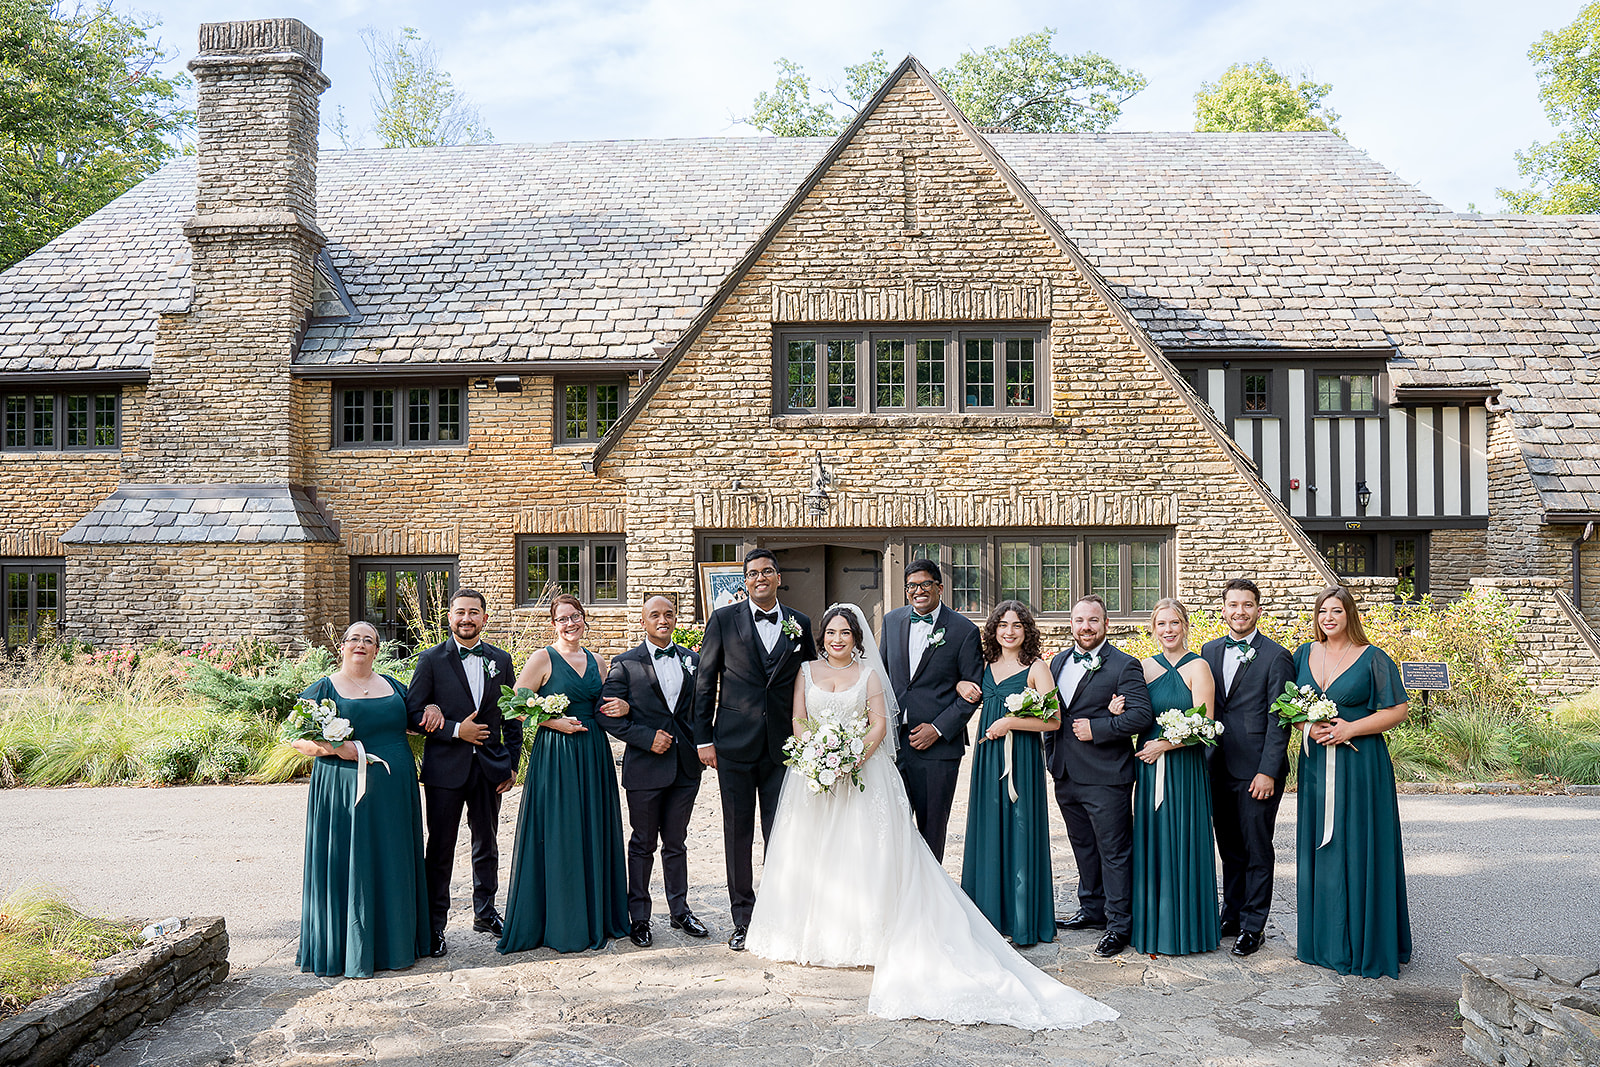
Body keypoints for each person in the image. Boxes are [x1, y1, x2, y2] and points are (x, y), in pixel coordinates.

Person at [747, 603, 1118, 1030]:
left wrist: (849, 760)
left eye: (845, 633)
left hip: (864, 767)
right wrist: (817, 757)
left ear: (856, 638)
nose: (837, 639)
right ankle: (811, 930)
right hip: (813, 774)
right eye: (831, 632)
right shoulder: (806, 671)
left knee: (869, 851)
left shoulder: (872, 673)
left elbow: (878, 725)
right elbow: (799, 719)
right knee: (812, 852)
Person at [692, 548, 816, 951]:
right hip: (732, 745)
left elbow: (812, 680)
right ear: (744, 582)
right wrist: (703, 737)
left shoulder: (801, 623)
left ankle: (779, 915)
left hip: (784, 748)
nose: (759, 578)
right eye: (751, 574)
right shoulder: (724, 620)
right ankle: (743, 918)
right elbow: (705, 681)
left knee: (781, 834)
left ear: (779, 577)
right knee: (737, 834)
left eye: (766, 572)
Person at [292, 620, 428, 978]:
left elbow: (416, 719)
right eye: (354, 638)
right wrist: (338, 748)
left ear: (377, 650)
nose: (361, 645)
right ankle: (346, 947)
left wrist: (436, 711)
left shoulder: (393, 686)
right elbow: (297, 738)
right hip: (343, 791)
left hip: (395, 792)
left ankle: (396, 944)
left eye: (369, 640)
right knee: (350, 860)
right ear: (342, 646)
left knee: (391, 860)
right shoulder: (323, 688)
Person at [1292, 585, 1413, 979]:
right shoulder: (1302, 655)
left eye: (1337, 612)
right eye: (1323, 611)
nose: (1329, 618)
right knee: (1322, 849)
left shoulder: (1374, 658)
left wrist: (1352, 729)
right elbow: (1288, 706)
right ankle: (1323, 943)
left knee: (1360, 847)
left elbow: (1399, 710)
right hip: (1315, 767)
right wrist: (1307, 726)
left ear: (1350, 616)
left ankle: (1365, 944)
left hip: (1361, 767)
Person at [497, 594, 629, 953]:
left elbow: (606, 705)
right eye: (563, 619)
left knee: (592, 828)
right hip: (556, 754)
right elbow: (514, 706)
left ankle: (597, 914)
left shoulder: (599, 662)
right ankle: (559, 918)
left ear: (585, 620)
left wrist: (625, 705)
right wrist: (555, 723)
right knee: (560, 830)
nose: (570, 624)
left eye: (576, 617)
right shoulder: (542, 658)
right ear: (553, 624)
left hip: (593, 754)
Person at [405, 588, 521, 958]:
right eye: (460, 612)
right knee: (440, 846)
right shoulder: (430, 660)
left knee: (487, 842)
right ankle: (435, 924)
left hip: (489, 767)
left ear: (485, 619)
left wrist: (512, 763)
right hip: (445, 770)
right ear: (449, 617)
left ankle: (486, 912)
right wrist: (456, 730)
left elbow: (512, 716)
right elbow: (412, 713)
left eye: (474, 612)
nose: (466, 618)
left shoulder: (501, 660)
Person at [1044, 594, 1154, 959]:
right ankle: (1091, 909)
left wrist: (1100, 727)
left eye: (1093, 620)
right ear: (1071, 624)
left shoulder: (1124, 665)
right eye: (1079, 620)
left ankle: (1119, 924)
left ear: (1105, 624)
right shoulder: (1058, 661)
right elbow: (1050, 715)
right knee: (1084, 847)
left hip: (1107, 776)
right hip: (1066, 774)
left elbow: (1140, 717)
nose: (1085, 627)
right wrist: (1051, 756)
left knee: (1115, 852)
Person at [600, 595, 710, 947]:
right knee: (643, 843)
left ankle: (680, 910)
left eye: (668, 614)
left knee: (676, 842)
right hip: (646, 769)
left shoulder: (694, 660)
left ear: (676, 618)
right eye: (654, 615)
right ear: (643, 621)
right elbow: (605, 714)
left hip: (685, 768)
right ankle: (640, 918)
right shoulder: (625, 663)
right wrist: (647, 738)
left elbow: (700, 710)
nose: (662, 619)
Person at [1201, 578, 1294, 957]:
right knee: (1229, 847)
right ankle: (1232, 913)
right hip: (1216, 765)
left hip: (1257, 769)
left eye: (1247, 605)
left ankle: (1254, 925)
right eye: (1233, 604)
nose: (1240, 611)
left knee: (1256, 848)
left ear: (1258, 609)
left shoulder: (1276, 656)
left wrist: (1268, 770)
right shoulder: (1208, 651)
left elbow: (1280, 719)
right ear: (1223, 609)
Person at [960, 600, 1060, 947]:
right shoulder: (985, 666)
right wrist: (961, 687)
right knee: (988, 831)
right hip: (989, 759)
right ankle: (986, 919)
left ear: (1026, 630)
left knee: (1021, 830)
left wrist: (1010, 722)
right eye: (1002, 625)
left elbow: (1053, 719)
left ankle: (1022, 919)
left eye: (1016, 625)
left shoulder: (1036, 668)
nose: (1009, 631)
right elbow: (963, 688)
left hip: (1023, 761)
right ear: (994, 629)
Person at [1130, 598, 1219, 956]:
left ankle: (1188, 929)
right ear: (1153, 629)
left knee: (1184, 840)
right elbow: (1134, 714)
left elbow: (1207, 724)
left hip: (1185, 769)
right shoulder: (1142, 667)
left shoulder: (1199, 667)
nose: (1168, 630)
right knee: (1152, 842)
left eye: (1174, 623)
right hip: (1148, 768)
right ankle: (1154, 927)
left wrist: (1165, 745)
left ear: (1185, 626)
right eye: (1161, 624)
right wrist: (1114, 708)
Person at [881, 559, 983, 862]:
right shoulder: (892, 621)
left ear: (939, 587)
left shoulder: (964, 630)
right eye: (911, 586)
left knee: (932, 831)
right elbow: (882, 677)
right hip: (893, 745)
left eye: (925, 584)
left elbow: (972, 692)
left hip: (938, 751)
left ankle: (930, 902)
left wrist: (937, 729)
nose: (918, 591)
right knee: (891, 829)